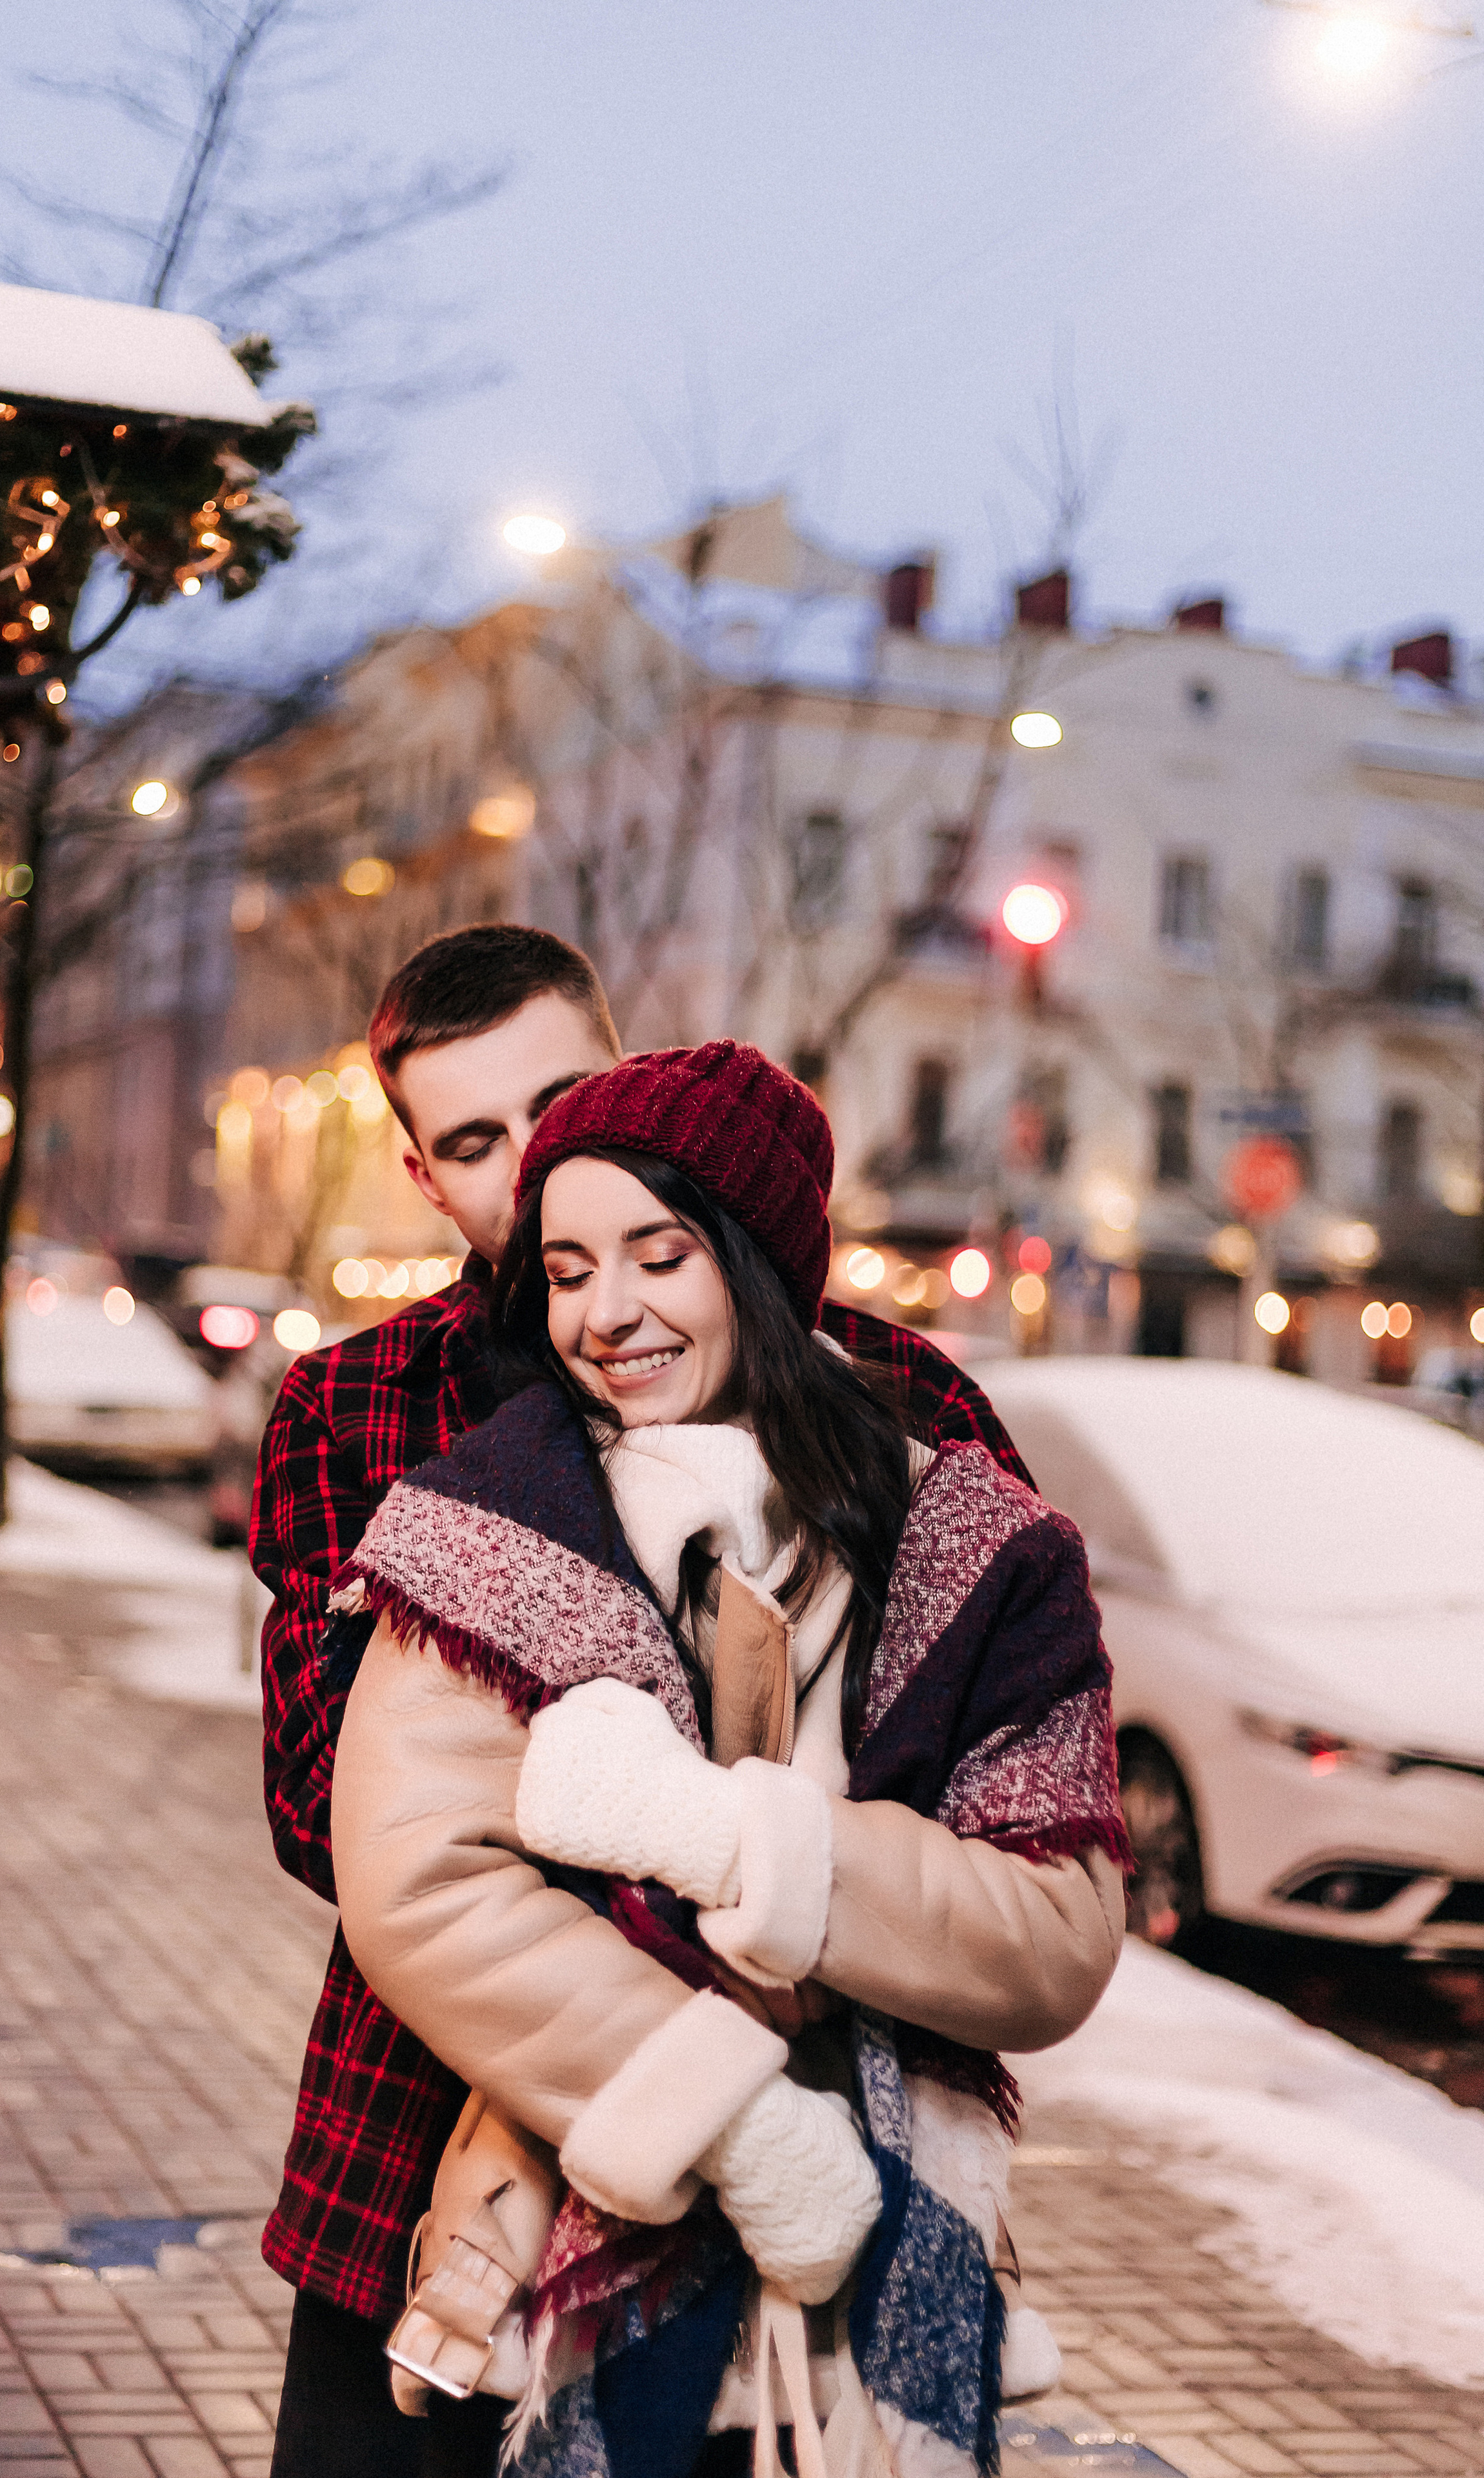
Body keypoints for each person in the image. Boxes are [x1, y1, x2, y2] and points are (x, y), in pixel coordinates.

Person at [252, 929, 1034, 2478]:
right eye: (473, 1140)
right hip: (423, 2149)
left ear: (623, 1076)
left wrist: (633, 1814)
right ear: (424, 1176)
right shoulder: (358, 1405)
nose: (529, 1159)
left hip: (819, 2167)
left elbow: (989, 1799)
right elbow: (317, 1804)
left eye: (556, 1100)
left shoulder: (896, 1401)